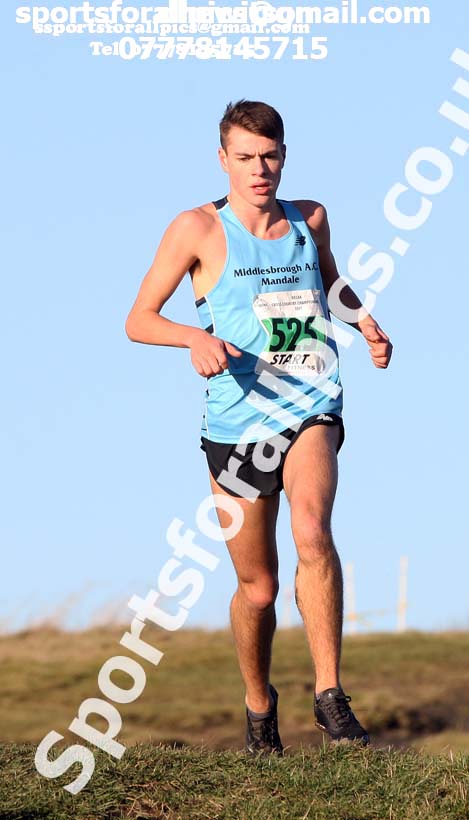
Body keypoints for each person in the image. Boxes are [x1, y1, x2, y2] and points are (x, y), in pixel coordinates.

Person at [125, 99, 393, 756]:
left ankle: (329, 698)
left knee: (312, 530)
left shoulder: (310, 218)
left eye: (269, 156)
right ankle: (258, 707)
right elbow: (138, 319)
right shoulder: (196, 229)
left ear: (284, 156)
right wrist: (193, 338)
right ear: (223, 160)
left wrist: (362, 321)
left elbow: (328, 280)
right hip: (237, 424)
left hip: (309, 402)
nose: (259, 169)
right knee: (259, 588)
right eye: (245, 157)